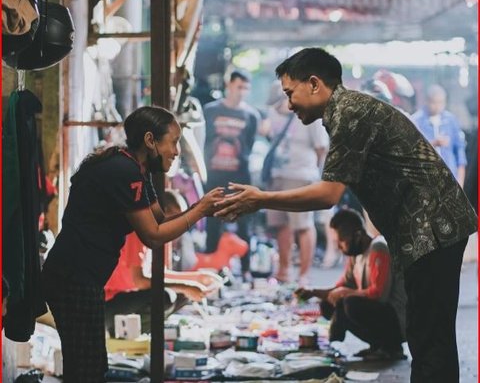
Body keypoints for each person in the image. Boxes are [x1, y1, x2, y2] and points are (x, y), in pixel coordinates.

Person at [214, 48, 477, 382]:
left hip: (434, 226)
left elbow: (328, 195)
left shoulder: (350, 112)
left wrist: (261, 199)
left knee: (430, 334)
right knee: (427, 333)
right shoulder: (344, 112)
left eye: (290, 93)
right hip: (423, 229)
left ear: (314, 84)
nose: (289, 103)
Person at [42, 106, 224, 383]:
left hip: (81, 278)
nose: (176, 151)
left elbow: (162, 220)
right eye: (173, 142)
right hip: (72, 278)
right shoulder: (123, 170)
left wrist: (206, 208)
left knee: (89, 365)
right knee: (87, 368)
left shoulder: (137, 171)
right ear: (151, 140)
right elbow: (153, 236)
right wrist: (200, 210)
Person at [296, 208, 406, 360]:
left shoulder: (378, 247)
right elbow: (340, 287)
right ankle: (377, 345)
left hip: (398, 320)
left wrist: (343, 293)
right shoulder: (355, 255)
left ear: (358, 235)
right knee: (328, 304)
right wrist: (313, 292)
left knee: (350, 304)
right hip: (378, 310)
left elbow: (379, 294)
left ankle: (391, 346)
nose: (339, 247)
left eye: (342, 241)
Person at [265, 80, 329, 284]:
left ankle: (303, 275)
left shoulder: (310, 115)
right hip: (277, 174)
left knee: (303, 225)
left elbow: (321, 148)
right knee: (281, 224)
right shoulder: (272, 113)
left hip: (302, 176)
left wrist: (315, 175)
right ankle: (284, 270)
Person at [104, 190, 188, 336]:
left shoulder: (153, 234)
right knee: (166, 297)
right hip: (107, 304)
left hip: (125, 298)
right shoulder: (138, 230)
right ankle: (124, 335)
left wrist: (196, 280)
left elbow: (157, 275)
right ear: (164, 211)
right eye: (176, 217)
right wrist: (186, 286)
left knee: (183, 295)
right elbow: (141, 281)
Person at [203, 69, 260, 280]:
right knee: (212, 221)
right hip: (215, 175)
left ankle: (245, 269)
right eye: (239, 87)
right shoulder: (210, 111)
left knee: (244, 223)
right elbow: (204, 140)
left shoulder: (251, 115)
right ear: (229, 85)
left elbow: (249, 146)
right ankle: (211, 268)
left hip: (240, 177)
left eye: (246, 88)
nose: (242, 92)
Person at [411, 84, 467, 187]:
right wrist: (433, 143)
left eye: (441, 102)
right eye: (434, 102)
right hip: (425, 180)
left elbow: (460, 153)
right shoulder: (416, 121)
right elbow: (412, 151)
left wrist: (460, 182)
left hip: (450, 179)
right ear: (427, 101)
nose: (437, 106)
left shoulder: (451, 120)